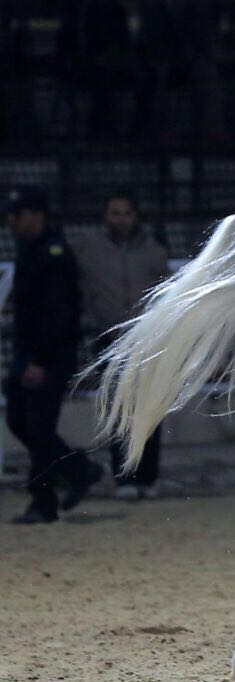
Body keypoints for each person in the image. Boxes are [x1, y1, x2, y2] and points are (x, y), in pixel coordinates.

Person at [3, 185, 103, 524]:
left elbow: (58, 315)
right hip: (28, 354)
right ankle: (79, 469)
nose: (10, 221)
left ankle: (43, 501)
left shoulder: (54, 253)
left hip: (47, 357)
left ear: (36, 214)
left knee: (38, 428)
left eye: (17, 214)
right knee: (21, 421)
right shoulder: (31, 248)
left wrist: (40, 362)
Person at [72, 190, 169, 499]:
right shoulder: (88, 249)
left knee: (150, 410)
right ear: (106, 216)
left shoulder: (154, 252)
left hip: (148, 338)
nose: (121, 219)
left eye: (126, 213)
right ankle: (125, 478)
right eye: (115, 212)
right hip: (109, 337)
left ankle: (148, 477)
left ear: (135, 216)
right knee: (118, 411)